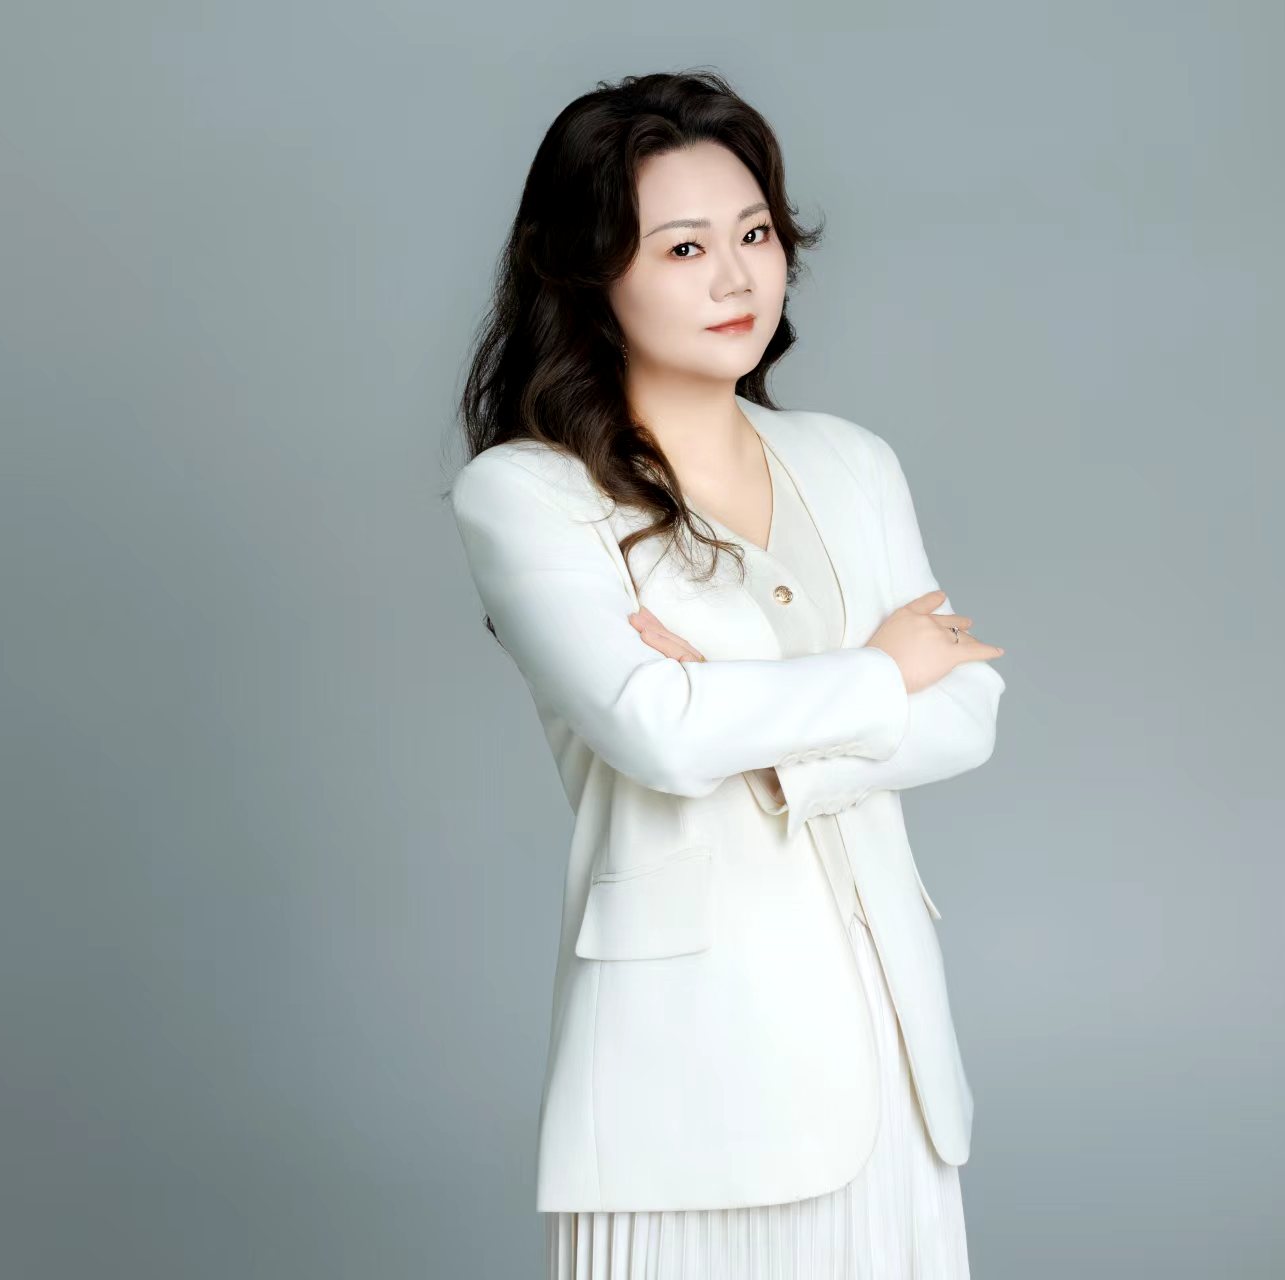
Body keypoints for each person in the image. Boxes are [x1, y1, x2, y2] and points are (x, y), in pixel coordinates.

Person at [446, 69, 1009, 1278]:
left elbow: (970, 708)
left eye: (755, 234)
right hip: (690, 1067)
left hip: (894, 1048)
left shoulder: (854, 463)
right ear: (588, 272)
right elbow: (655, 728)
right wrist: (880, 670)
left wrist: (759, 734)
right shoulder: (528, 494)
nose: (739, 277)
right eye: (685, 246)